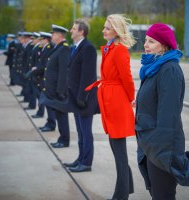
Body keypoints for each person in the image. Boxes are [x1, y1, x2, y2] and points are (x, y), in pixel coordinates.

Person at [135, 23, 189, 200]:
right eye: (146, 40)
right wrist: (141, 102)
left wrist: (160, 150)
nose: (145, 45)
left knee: (163, 195)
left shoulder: (169, 69)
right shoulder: (155, 67)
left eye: (151, 41)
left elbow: (169, 114)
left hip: (161, 146)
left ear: (164, 45)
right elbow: (156, 98)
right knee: (156, 192)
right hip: (150, 143)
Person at [85, 14, 135, 200]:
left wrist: (131, 98)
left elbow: (127, 78)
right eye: (104, 27)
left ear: (116, 30)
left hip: (117, 104)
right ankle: (126, 188)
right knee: (117, 150)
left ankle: (120, 196)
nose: (103, 30)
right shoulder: (110, 48)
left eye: (107, 27)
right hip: (110, 102)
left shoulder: (120, 50)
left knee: (119, 152)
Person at [64, 19, 99, 173]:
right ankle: (80, 158)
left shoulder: (88, 48)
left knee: (85, 132)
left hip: (84, 99)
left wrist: (82, 98)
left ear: (81, 32)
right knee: (80, 132)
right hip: (75, 97)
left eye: (73, 29)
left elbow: (88, 76)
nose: (71, 31)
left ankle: (86, 163)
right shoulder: (76, 47)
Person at [39, 24, 70, 148]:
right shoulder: (58, 48)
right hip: (54, 89)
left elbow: (64, 71)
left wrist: (60, 91)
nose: (51, 36)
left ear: (59, 35)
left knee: (62, 116)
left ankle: (64, 140)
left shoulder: (64, 49)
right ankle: (62, 138)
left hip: (59, 90)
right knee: (58, 115)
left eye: (53, 34)